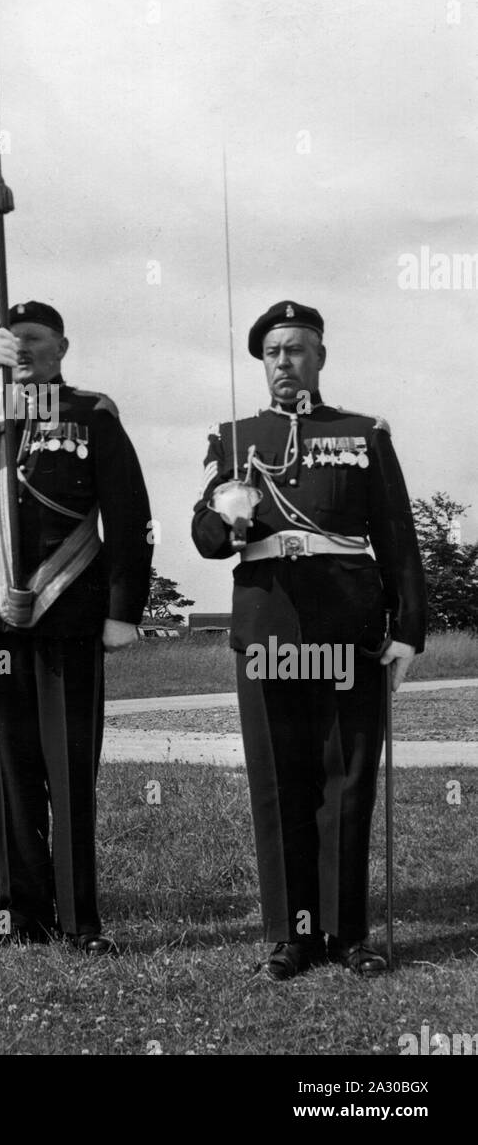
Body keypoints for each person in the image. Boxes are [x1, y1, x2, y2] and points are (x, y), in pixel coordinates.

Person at [0, 301, 152, 954]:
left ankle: (77, 920)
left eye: (36, 340)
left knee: (66, 770)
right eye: (14, 341)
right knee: (8, 773)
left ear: (62, 347)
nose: (26, 351)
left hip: (70, 611)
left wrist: (124, 611)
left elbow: (129, 516)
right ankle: (21, 914)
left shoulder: (92, 414)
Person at [192, 300, 426, 978]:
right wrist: (225, 523)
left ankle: (348, 936)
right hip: (269, 627)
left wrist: (406, 630)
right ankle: (292, 938)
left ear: (320, 356)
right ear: (259, 363)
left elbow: (398, 540)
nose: (284, 363)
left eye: (297, 349)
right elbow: (204, 538)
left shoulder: (362, 434)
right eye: (272, 352)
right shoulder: (235, 438)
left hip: (350, 627)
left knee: (347, 780)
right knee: (279, 782)